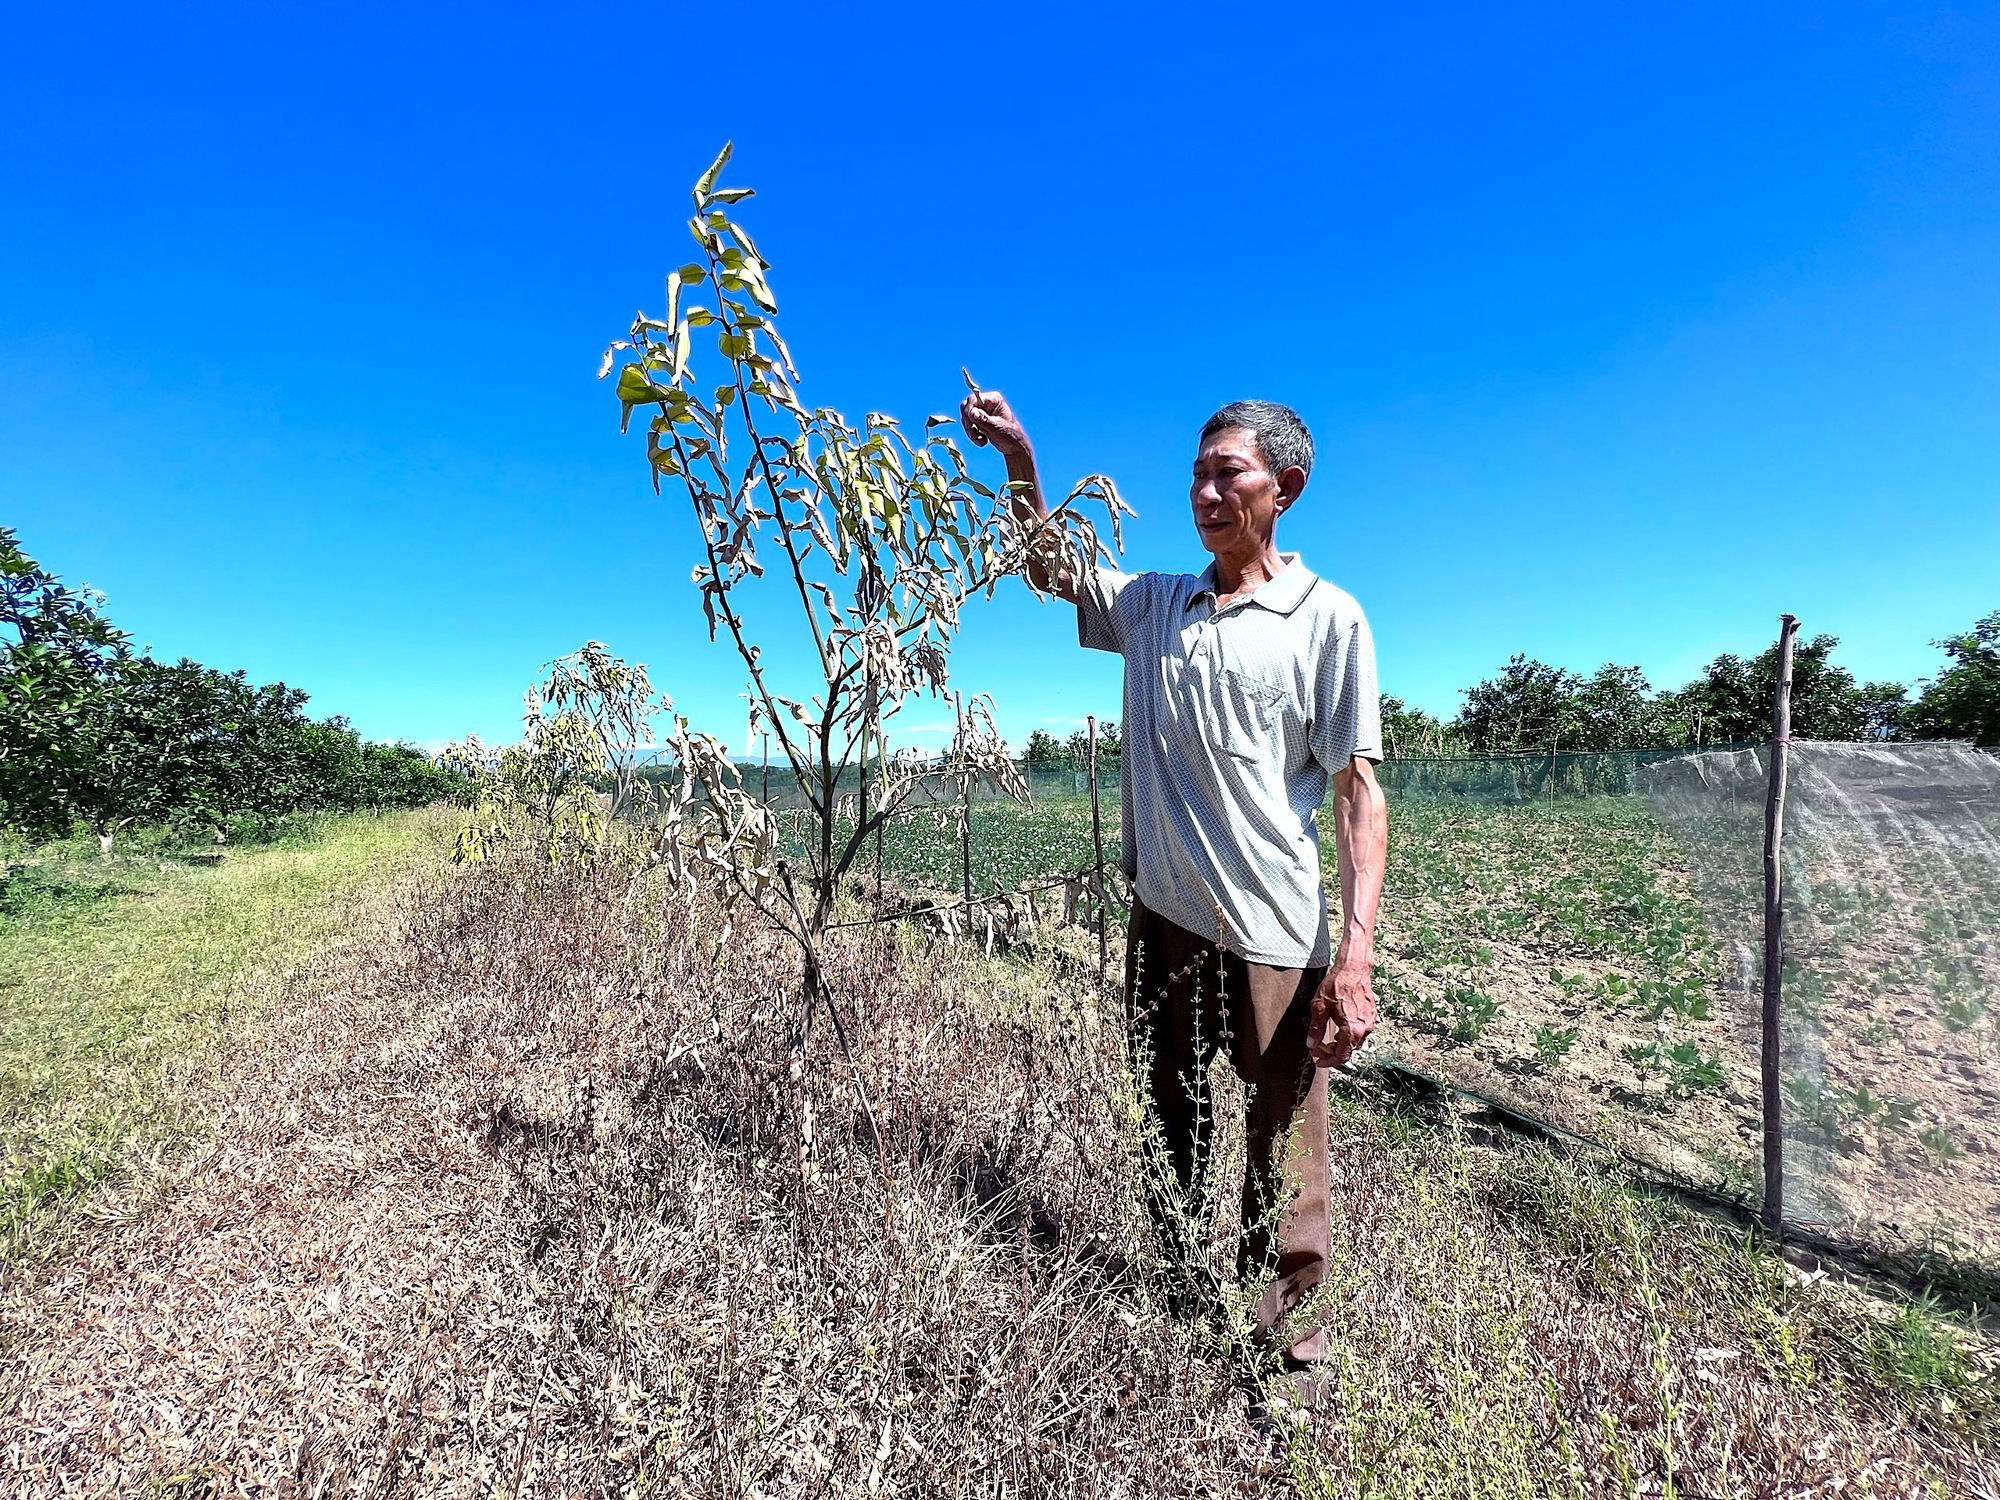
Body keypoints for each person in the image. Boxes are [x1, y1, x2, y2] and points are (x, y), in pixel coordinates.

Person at [960, 389, 1388, 1372]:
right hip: (1164, 917)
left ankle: (1287, 1339)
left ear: (1284, 487)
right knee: (1169, 1111)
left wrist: (1354, 958)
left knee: (1281, 1141)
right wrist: (1020, 458)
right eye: (1195, 474)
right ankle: (1175, 1288)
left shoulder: (1325, 619)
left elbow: (1359, 790)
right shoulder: (1155, 604)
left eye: (1224, 473)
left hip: (1273, 934)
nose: (1201, 491)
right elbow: (1046, 565)